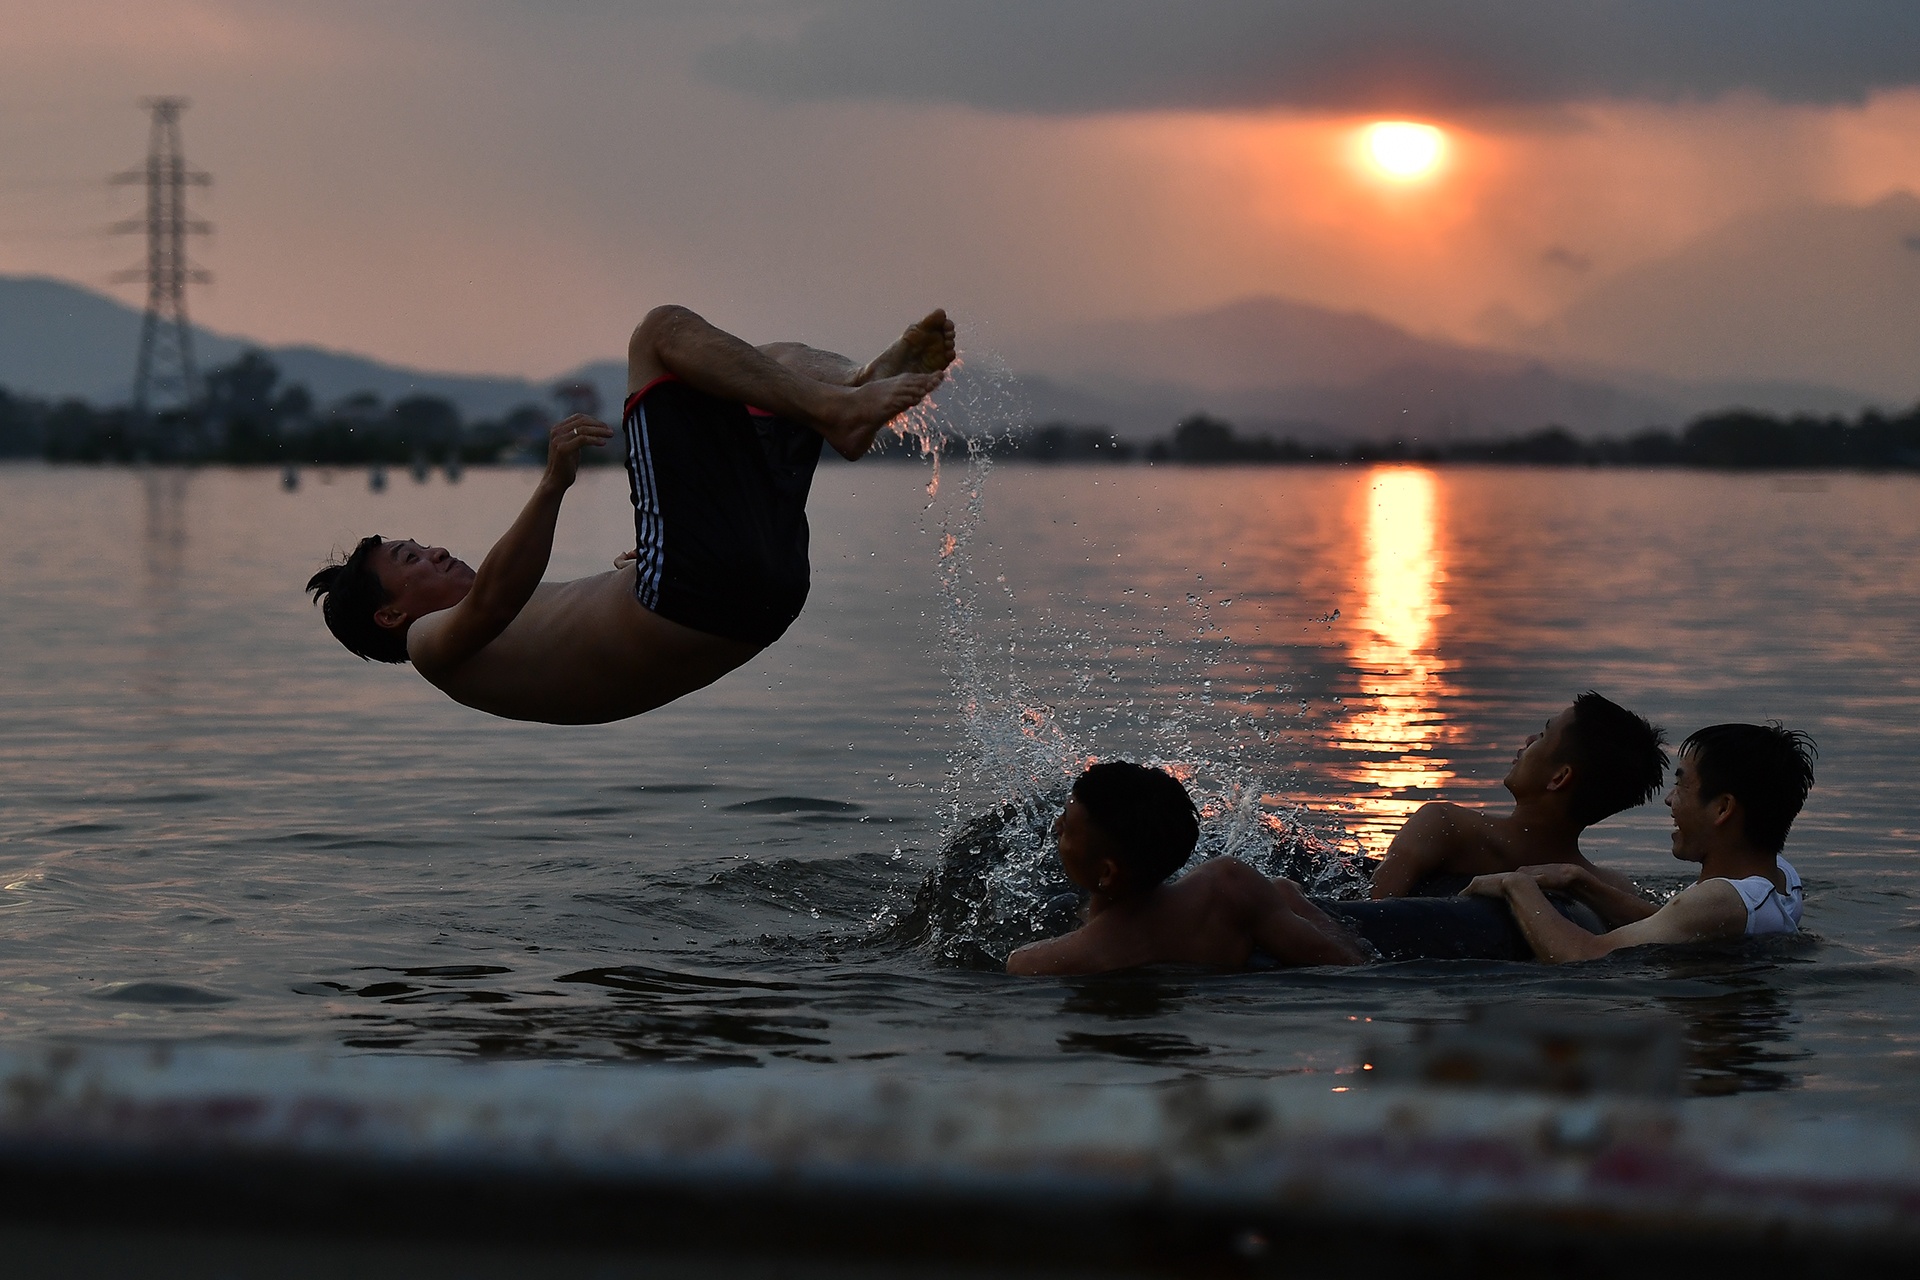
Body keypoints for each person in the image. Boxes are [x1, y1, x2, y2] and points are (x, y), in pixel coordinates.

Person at [305, 305, 954, 724]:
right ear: (389, 614)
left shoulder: (491, 638)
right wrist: (555, 483)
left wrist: (634, 564)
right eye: (410, 560)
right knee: (659, 334)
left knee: (777, 360)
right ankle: (839, 408)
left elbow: (571, 625)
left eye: (421, 544)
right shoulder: (427, 644)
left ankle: (852, 386)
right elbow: (499, 597)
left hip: (754, 595)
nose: (436, 551)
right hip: (693, 596)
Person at [1463, 722, 1815, 962]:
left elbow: (1583, 956)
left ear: (1722, 808)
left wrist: (1516, 885)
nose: (1669, 800)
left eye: (1681, 786)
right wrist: (1580, 882)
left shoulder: (1719, 898)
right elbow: (1672, 923)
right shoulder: (1781, 878)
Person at [1005, 763, 1369, 976]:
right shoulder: (1227, 887)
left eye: (1067, 826)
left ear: (1106, 874)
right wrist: (1295, 902)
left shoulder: (1055, 958)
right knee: (1285, 888)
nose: (1055, 828)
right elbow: (1345, 962)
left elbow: (1015, 965)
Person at [1369, 691, 1667, 900]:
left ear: (1559, 778)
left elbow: (1367, 914)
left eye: (1544, 734)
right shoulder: (1612, 888)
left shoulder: (1445, 826)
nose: (1528, 740)